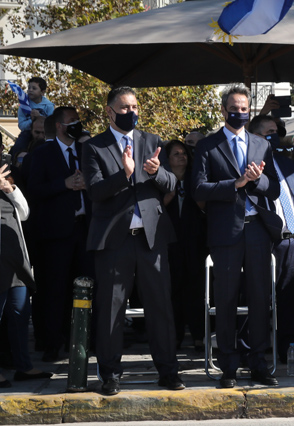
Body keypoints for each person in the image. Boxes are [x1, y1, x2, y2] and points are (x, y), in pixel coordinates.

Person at [82, 86, 183, 395]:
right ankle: (110, 373)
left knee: (160, 306)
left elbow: (172, 184)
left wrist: (156, 172)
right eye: (125, 108)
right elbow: (95, 191)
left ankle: (168, 371)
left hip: (151, 239)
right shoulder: (93, 147)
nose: (132, 112)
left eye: (135, 107)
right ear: (110, 111)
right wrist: (124, 175)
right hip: (114, 240)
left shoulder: (152, 141)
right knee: (112, 308)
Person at [191, 85, 280, 389]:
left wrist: (255, 181)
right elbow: (199, 189)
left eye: (244, 108)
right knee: (226, 299)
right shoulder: (207, 145)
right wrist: (236, 182)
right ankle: (228, 364)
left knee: (259, 298)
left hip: (257, 229)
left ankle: (259, 362)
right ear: (223, 110)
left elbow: (275, 187)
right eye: (234, 108)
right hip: (225, 231)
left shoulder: (260, 144)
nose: (240, 112)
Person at [27, 106, 94, 362]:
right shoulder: (43, 153)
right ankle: (52, 342)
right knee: (55, 289)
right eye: (71, 121)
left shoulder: (86, 151)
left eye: (78, 120)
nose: (76, 124)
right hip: (55, 234)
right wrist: (63, 185)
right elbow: (34, 189)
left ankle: (83, 340)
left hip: (84, 229)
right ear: (59, 126)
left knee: (86, 286)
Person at [248, 115, 294, 366]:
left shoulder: (289, 163)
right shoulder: (251, 166)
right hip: (266, 239)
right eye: (269, 132)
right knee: (258, 297)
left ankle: (289, 349)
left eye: (276, 131)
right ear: (255, 137)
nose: (274, 135)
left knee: (289, 298)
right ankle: (255, 351)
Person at [0, 164, 51, 388]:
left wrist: (10, 189)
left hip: (17, 264)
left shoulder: (7, 182)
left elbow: (24, 213)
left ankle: (24, 367)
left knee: (20, 315)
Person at [161, 139, 207, 351]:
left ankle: (199, 334)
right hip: (169, 241)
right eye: (176, 154)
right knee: (173, 290)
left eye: (184, 153)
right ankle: (175, 335)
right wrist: (169, 196)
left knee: (196, 289)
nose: (182, 157)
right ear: (167, 159)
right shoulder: (161, 180)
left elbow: (205, 208)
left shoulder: (195, 179)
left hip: (195, 240)